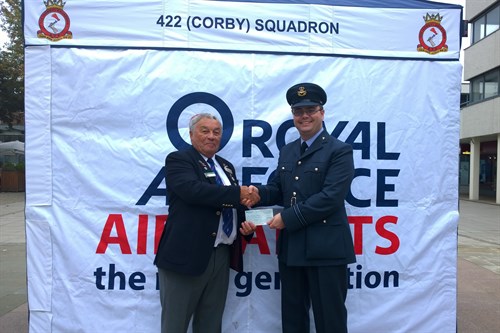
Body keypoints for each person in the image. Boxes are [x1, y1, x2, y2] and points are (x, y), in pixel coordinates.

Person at [248, 83, 355, 333]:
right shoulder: (288, 150)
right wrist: (256, 194)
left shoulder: (340, 151)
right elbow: (278, 188)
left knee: (330, 320)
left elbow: (330, 197)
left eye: (310, 109)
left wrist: (286, 218)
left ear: (322, 112)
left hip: (327, 250)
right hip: (293, 248)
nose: (304, 116)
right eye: (298, 111)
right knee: (293, 319)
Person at [154, 113, 258, 333]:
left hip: (220, 255)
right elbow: (194, 191)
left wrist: (247, 226)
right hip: (185, 255)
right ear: (191, 134)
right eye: (205, 131)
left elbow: (234, 205)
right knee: (175, 325)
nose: (212, 136)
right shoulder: (179, 160)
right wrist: (238, 193)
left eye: (216, 132)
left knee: (210, 325)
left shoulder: (226, 166)